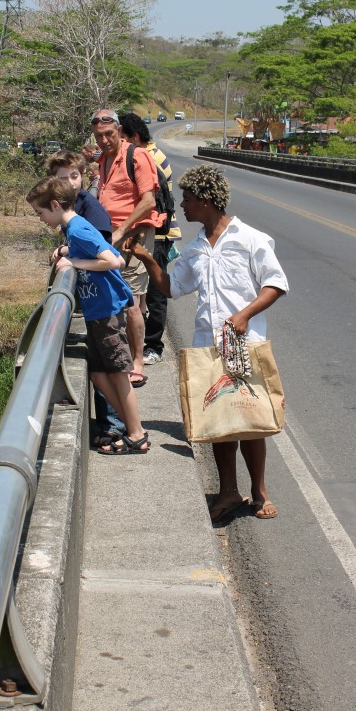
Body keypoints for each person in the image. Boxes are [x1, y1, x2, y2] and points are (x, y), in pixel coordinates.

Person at [127, 165, 289, 518]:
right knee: (219, 422)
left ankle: (259, 492)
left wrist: (244, 315)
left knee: (250, 420)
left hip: (244, 344)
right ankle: (228, 492)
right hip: (208, 346)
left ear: (206, 200)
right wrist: (146, 258)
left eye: (187, 199)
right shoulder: (195, 248)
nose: (182, 206)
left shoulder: (250, 239)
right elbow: (172, 287)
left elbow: (275, 284)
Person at [26, 176, 149, 454]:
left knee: (118, 374)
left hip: (107, 311)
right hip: (97, 311)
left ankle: (137, 435)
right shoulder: (73, 230)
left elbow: (113, 260)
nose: (40, 219)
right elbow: (98, 250)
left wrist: (74, 261)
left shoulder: (78, 228)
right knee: (97, 374)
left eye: (40, 212)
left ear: (55, 205)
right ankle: (133, 427)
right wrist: (67, 250)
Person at [44, 150, 125, 447]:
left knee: (110, 369)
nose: (69, 182)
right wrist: (66, 251)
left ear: (83, 176)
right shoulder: (72, 209)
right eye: (62, 178)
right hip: (95, 301)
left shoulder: (89, 212)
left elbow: (108, 255)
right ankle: (111, 424)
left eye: (74, 176)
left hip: (104, 301)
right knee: (101, 367)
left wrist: (73, 259)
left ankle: (115, 427)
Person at [91, 108, 166, 387]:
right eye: (99, 136)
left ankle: (137, 361)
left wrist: (122, 231)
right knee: (115, 298)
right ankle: (120, 357)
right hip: (110, 237)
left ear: (119, 131)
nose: (104, 140)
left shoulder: (137, 156)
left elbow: (148, 201)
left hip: (133, 236)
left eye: (109, 134)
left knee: (131, 300)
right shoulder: (103, 159)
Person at [117, 112, 182, 365]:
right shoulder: (146, 154)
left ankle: (154, 345)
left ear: (134, 137)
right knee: (143, 290)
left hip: (158, 233)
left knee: (156, 290)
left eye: (122, 138)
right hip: (151, 232)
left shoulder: (148, 157)